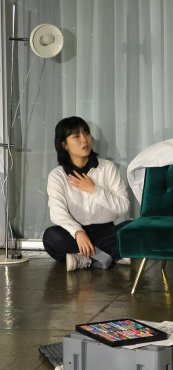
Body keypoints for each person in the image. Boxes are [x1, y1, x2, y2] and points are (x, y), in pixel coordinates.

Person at [43, 116, 131, 271]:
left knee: (132, 228)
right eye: (76, 136)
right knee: (51, 237)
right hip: (74, 235)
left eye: (87, 133)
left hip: (106, 232)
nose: (84, 139)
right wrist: (78, 232)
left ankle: (84, 259)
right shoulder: (57, 176)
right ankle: (107, 256)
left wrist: (94, 190)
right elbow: (58, 213)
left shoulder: (107, 168)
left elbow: (123, 206)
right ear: (64, 145)